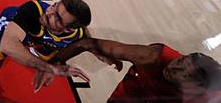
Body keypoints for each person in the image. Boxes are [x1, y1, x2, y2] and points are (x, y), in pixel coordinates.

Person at [0, 0, 91, 90]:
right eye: (54, 6)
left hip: (38, 39)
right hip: (12, 26)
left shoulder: (79, 37)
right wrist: (49, 68)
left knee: (47, 78)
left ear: (68, 30)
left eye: (57, 17)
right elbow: (7, 45)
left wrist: (52, 66)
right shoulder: (32, 10)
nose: (49, 12)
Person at [50, 38, 221, 102]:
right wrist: (52, 64)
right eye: (181, 60)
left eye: (183, 73)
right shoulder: (152, 56)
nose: (173, 67)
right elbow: (85, 43)